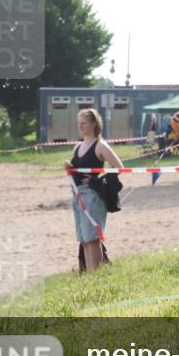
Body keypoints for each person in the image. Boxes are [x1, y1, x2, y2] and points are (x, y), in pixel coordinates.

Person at [64, 108, 124, 272]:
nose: (80, 126)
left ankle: (95, 275)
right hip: (77, 196)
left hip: (93, 197)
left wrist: (98, 181)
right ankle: (90, 275)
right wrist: (69, 167)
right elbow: (76, 169)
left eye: (84, 123)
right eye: (79, 123)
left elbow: (119, 167)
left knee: (92, 238)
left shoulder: (100, 146)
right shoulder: (77, 147)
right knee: (84, 239)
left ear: (93, 123)